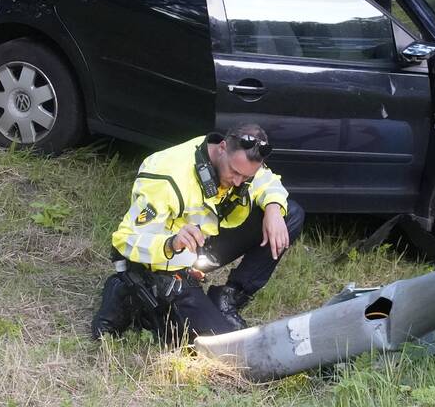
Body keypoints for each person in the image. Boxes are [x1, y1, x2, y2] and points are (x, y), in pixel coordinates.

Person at [91, 124, 304, 342]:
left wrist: (273, 208)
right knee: (219, 342)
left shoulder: (241, 162)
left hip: (202, 245)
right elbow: (125, 240)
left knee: (290, 214)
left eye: (246, 177)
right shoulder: (167, 176)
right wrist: (171, 243)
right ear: (222, 147)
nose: (238, 182)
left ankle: (228, 299)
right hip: (167, 258)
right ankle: (125, 294)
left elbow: (266, 180)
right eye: (234, 172)